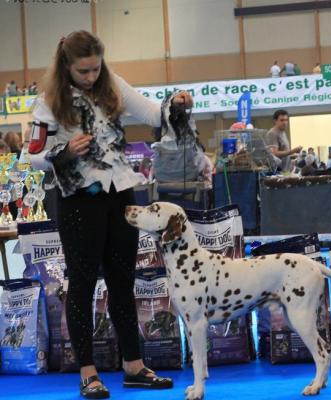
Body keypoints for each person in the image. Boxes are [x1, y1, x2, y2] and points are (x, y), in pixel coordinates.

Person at [28, 30, 193, 399]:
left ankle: (133, 365)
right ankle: (88, 372)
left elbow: (152, 113)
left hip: (120, 194)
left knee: (123, 280)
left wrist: (176, 101)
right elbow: (33, 154)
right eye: (83, 71)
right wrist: (65, 151)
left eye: (95, 69)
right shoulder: (48, 102)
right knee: (82, 285)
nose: (91, 77)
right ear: (66, 66)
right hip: (77, 200)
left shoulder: (112, 84)